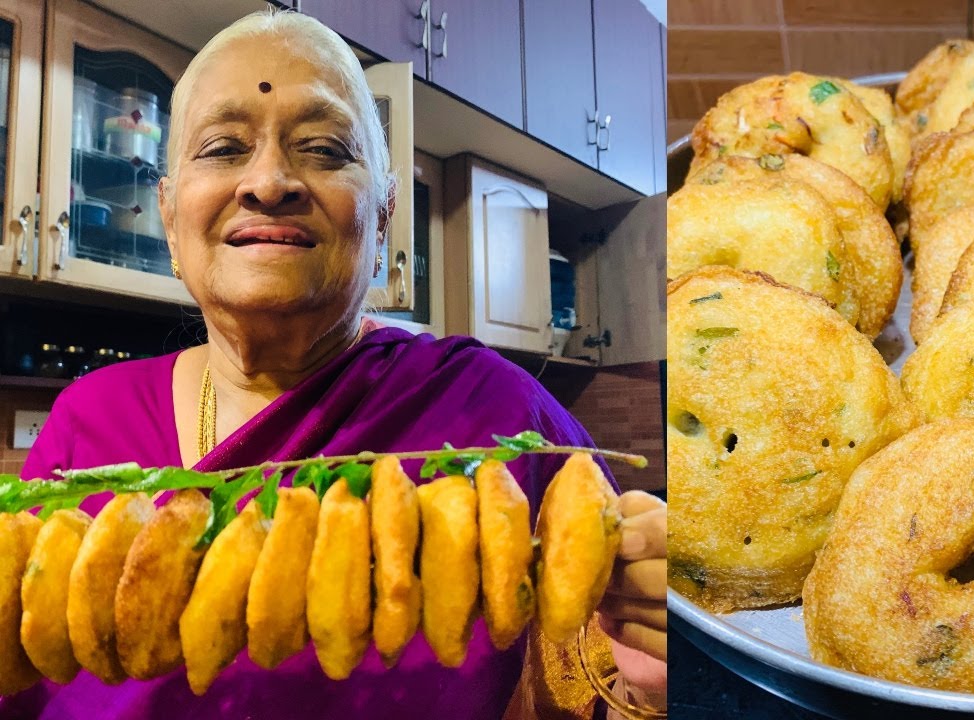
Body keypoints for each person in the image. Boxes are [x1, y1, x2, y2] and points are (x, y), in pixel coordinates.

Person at [0, 9, 665, 720]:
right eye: (224, 147)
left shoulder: (493, 409)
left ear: (383, 214)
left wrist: (649, 682)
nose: (269, 181)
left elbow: (583, 674)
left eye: (322, 148)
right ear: (168, 212)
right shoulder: (90, 417)